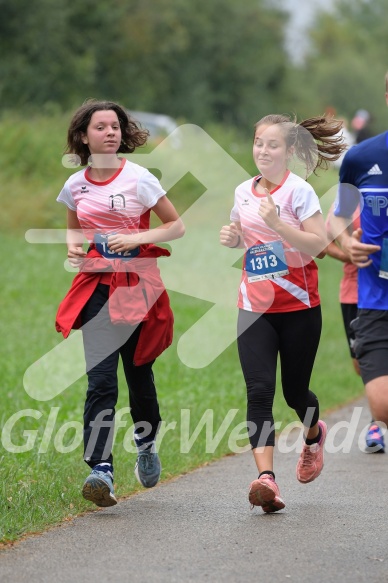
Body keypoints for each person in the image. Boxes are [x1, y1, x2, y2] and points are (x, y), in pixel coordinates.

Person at [55, 99, 185, 507]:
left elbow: (175, 226)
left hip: (138, 291)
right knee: (101, 381)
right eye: (101, 127)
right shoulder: (75, 186)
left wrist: (137, 239)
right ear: (83, 136)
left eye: (115, 126)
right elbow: (73, 231)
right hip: (96, 289)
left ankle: (146, 444)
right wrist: (76, 251)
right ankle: (101, 469)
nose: (110, 132)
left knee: (139, 376)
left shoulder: (140, 178)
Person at [220, 113, 346, 513]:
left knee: (295, 392)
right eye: (258, 142)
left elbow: (319, 245)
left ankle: (313, 436)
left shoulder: (299, 192)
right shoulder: (243, 191)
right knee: (259, 391)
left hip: (299, 308)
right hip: (254, 306)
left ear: (289, 151)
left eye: (272, 145)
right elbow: (245, 237)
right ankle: (266, 481)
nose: (263, 150)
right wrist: (233, 237)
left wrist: (279, 223)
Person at [330, 71, 388, 450]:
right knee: (382, 406)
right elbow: (338, 215)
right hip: (375, 297)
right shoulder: (361, 158)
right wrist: (347, 243)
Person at [326, 206, 385, 453]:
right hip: (354, 292)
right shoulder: (350, 198)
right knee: (361, 363)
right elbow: (323, 240)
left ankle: (376, 422)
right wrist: (348, 253)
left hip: (383, 293)